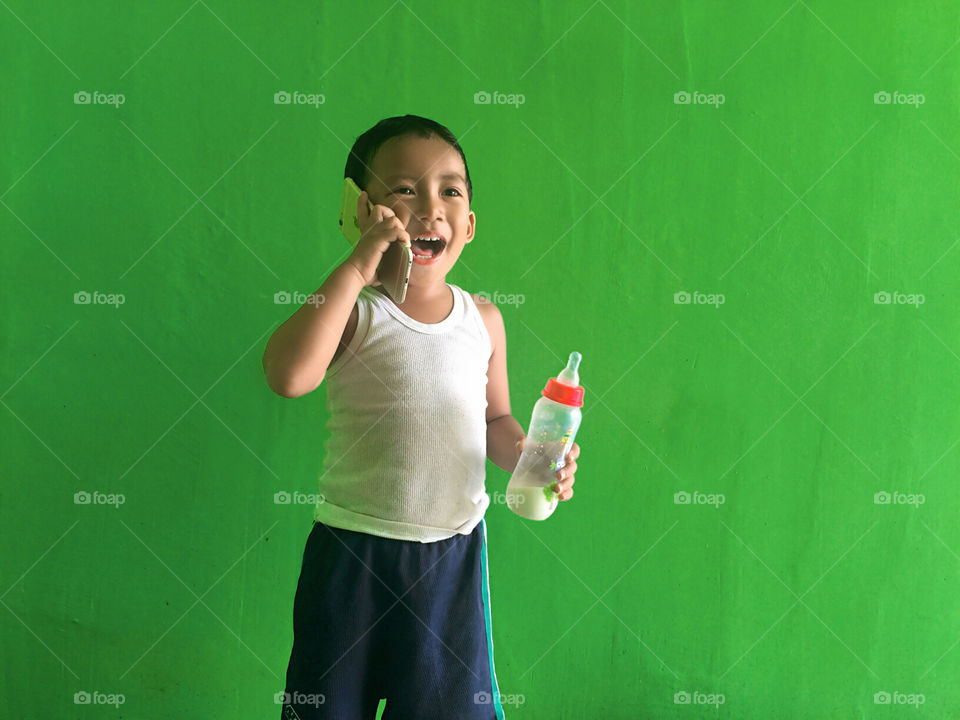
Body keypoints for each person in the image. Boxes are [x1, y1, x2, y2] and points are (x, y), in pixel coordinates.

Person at [263, 114, 580, 720]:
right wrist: (358, 264)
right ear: (362, 210)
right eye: (404, 190)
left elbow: (497, 423)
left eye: (450, 191)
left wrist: (538, 457)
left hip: (451, 557)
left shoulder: (483, 320)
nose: (430, 209)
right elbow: (287, 376)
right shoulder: (356, 313)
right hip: (351, 551)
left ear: (470, 224)